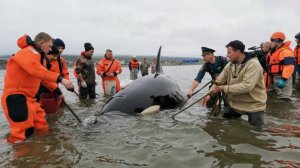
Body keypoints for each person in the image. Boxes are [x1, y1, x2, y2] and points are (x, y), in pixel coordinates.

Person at [1, 33, 73, 143]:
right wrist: (60, 79)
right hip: (17, 99)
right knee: (22, 135)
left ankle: (39, 155)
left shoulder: (40, 57)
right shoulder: (28, 52)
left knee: (42, 127)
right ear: (41, 43)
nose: (50, 50)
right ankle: (18, 158)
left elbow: (44, 79)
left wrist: (58, 91)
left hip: (31, 100)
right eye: (49, 46)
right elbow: (36, 70)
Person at [202, 40, 267, 128]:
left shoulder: (254, 65)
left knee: (258, 132)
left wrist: (223, 88)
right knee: (228, 125)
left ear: (237, 52)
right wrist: (210, 94)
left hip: (253, 105)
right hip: (235, 104)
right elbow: (218, 81)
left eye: (229, 52)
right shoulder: (229, 65)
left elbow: (247, 86)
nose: (227, 55)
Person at [265, 32, 295, 100]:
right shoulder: (272, 52)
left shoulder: (285, 51)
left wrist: (283, 79)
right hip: (273, 77)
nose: (271, 42)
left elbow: (289, 67)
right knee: (272, 97)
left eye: (272, 40)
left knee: (284, 98)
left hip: (283, 78)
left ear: (277, 41)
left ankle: (284, 110)